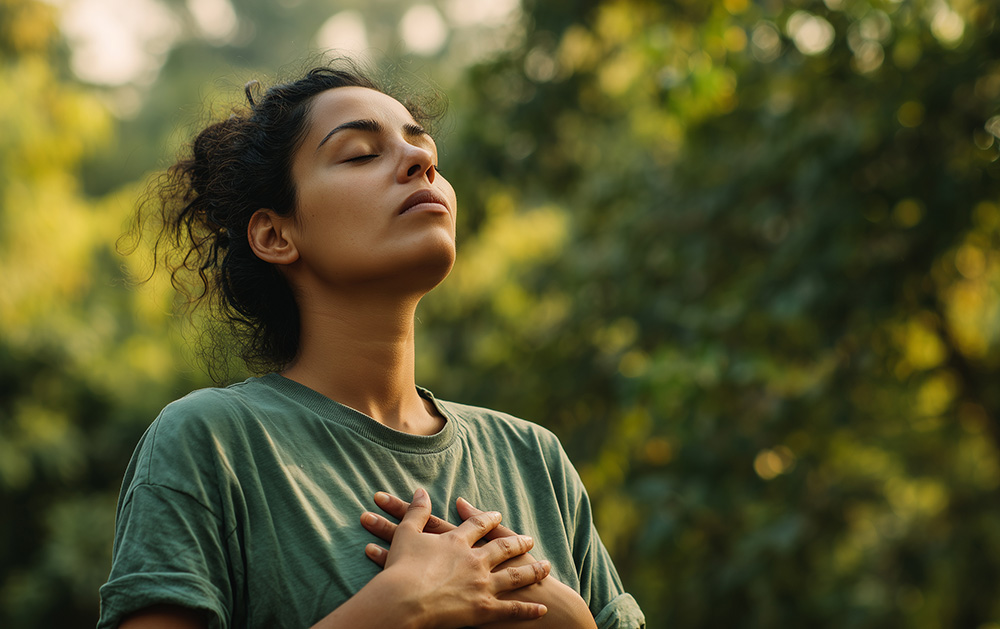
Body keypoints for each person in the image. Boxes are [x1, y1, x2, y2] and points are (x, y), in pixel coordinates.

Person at [98, 63, 646, 629]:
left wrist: (571, 620)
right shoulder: (212, 443)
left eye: (423, 147)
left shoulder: (535, 459)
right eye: (361, 153)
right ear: (275, 235)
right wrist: (399, 607)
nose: (421, 163)